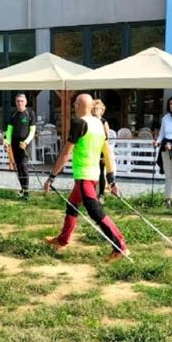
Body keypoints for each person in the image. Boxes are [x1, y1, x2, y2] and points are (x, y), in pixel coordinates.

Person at [44, 93, 128, 261]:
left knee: (95, 212)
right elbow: (107, 152)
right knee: (72, 205)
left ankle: (120, 247)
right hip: (94, 175)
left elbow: (66, 153)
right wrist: (111, 179)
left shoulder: (79, 123)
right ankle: (62, 241)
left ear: (83, 106)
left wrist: (51, 177)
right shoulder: (99, 123)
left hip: (84, 176)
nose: (74, 106)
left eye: (76, 103)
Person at [4, 93, 36, 199]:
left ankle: (26, 191)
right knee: (18, 166)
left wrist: (26, 142)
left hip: (25, 145)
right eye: (18, 101)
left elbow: (32, 131)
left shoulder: (30, 113)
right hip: (15, 143)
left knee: (23, 165)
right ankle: (22, 188)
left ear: (25, 102)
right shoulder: (13, 114)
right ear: (15, 102)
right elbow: (9, 130)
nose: (19, 103)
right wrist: (7, 142)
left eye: (21, 101)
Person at [91, 98, 111, 203]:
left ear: (102, 110)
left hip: (101, 150)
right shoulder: (89, 121)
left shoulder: (103, 122)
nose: (95, 110)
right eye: (93, 108)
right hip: (91, 150)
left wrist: (104, 155)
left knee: (101, 172)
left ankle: (101, 194)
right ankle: (91, 194)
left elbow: (107, 138)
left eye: (97, 108)